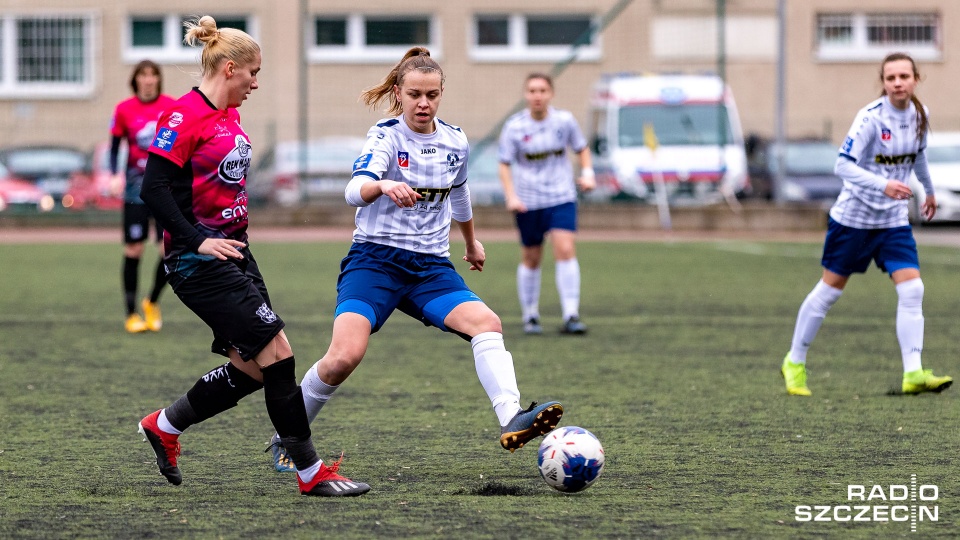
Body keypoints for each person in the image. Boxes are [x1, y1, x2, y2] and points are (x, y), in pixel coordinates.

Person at [265, 47, 563, 480]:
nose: (424, 103)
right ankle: (289, 436)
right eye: (415, 94)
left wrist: (472, 242)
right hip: (375, 262)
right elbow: (355, 189)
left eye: (432, 94)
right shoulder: (385, 136)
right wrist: (382, 185)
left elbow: (459, 195)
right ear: (399, 94)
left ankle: (512, 417)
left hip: (429, 268)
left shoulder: (455, 140)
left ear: (441, 94)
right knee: (343, 357)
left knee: (487, 322)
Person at [136, 15, 369, 497]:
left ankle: (164, 425)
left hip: (236, 256)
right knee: (279, 356)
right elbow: (152, 189)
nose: (255, 83)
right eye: (252, 73)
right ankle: (310, 473)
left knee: (251, 369)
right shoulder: (182, 116)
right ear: (227, 68)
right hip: (197, 264)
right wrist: (196, 238)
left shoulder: (230, 116)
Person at [781, 52, 952, 397]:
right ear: (884, 83)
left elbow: (918, 157)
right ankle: (794, 361)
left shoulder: (921, 114)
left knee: (913, 289)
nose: (898, 83)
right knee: (829, 292)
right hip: (854, 220)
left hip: (892, 221)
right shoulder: (870, 118)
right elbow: (842, 166)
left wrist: (928, 192)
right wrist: (883, 185)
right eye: (891, 78)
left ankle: (914, 373)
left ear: (916, 79)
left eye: (904, 76)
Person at [497, 73, 595, 335]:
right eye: (532, 91)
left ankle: (571, 314)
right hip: (528, 201)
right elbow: (504, 164)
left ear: (550, 93)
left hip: (561, 197)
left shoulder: (564, 121)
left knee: (564, 248)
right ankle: (530, 315)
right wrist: (511, 196)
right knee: (531, 257)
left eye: (542, 90)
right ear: (526, 95)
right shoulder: (515, 127)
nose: (537, 95)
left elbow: (582, 148)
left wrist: (587, 173)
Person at [110, 60, 176, 333]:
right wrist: (114, 174)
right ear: (135, 80)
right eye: (143, 75)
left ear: (158, 80)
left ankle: (151, 301)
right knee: (133, 249)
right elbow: (115, 147)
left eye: (153, 75)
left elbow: (178, 143)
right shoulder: (124, 110)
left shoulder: (172, 106)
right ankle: (131, 313)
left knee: (168, 251)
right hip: (135, 190)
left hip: (164, 187)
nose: (148, 80)